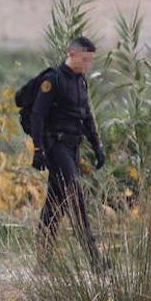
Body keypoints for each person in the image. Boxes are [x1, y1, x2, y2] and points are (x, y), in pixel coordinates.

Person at [29, 36, 107, 268]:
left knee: (55, 205)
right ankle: (94, 259)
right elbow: (37, 115)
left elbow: (87, 116)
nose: (88, 64)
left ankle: (42, 262)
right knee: (75, 193)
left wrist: (97, 145)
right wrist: (38, 149)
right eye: (85, 59)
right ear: (72, 53)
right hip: (56, 147)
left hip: (73, 148)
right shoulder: (53, 80)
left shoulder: (81, 81)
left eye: (91, 60)